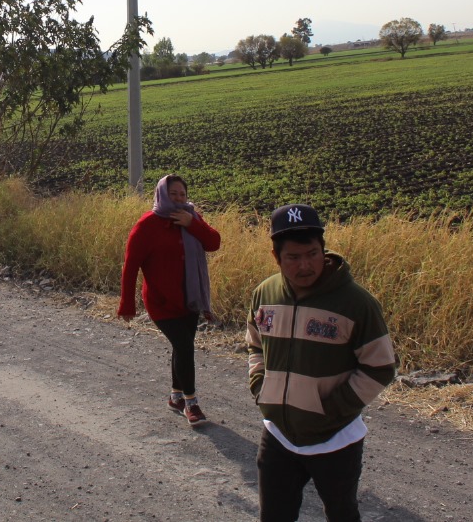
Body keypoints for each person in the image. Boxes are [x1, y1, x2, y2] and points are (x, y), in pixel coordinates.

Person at [246, 204, 396, 522]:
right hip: (278, 435)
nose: (305, 265)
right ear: (276, 257)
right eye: (293, 257)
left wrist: (332, 409)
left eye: (312, 254)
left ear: (323, 250)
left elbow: (380, 366)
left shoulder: (356, 303)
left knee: (342, 514)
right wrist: (260, 385)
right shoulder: (265, 294)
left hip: (336, 439)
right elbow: (255, 343)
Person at [118, 174, 221, 427]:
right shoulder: (147, 225)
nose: (178, 199)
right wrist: (127, 304)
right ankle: (191, 403)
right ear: (162, 194)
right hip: (161, 302)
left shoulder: (191, 217)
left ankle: (176, 397)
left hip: (189, 299)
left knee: (182, 347)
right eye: (173, 194)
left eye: (182, 195)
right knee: (185, 348)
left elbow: (213, 243)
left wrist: (192, 224)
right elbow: (131, 266)